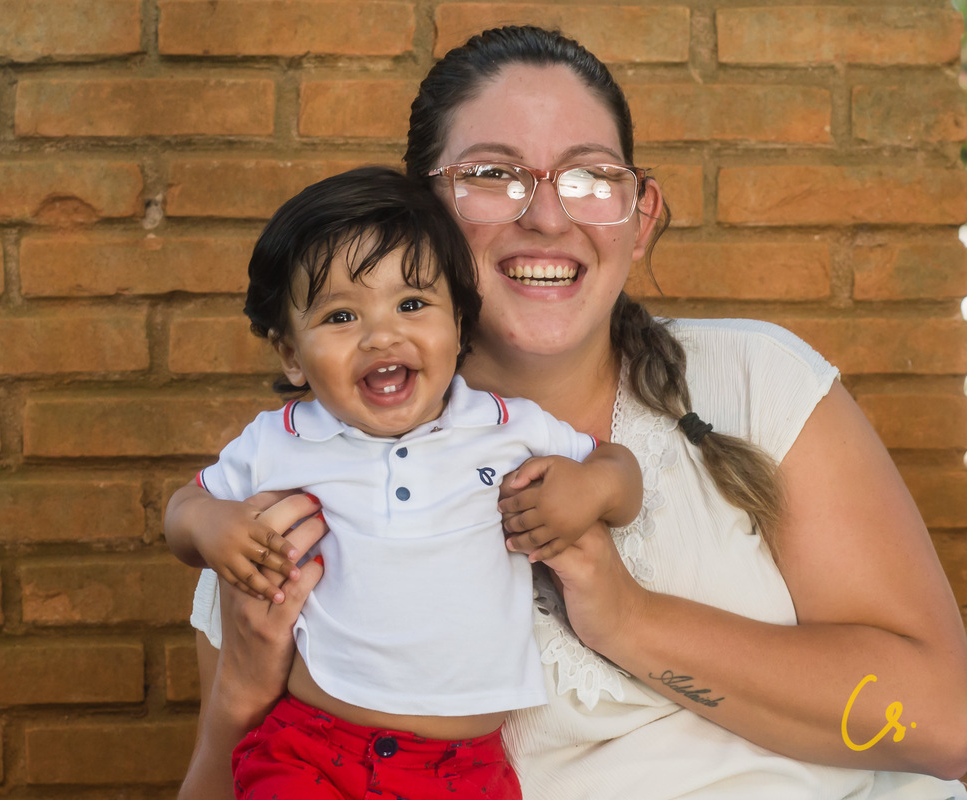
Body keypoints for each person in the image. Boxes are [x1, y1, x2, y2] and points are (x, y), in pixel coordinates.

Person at [174, 25, 967, 800]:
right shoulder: (297, 485)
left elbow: (944, 721)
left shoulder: (755, 381)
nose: (548, 217)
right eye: (492, 174)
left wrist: (627, 618)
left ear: (640, 215)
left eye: (590, 178)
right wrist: (240, 697)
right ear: (419, 216)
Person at [165, 165, 644, 799]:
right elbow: (183, 509)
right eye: (340, 317)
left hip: (465, 769)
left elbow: (622, 472)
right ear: (291, 355)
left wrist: (589, 491)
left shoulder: (504, 427)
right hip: (313, 748)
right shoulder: (281, 439)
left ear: (458, 326)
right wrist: (210, 524)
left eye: (413, 305)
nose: (381, 334)